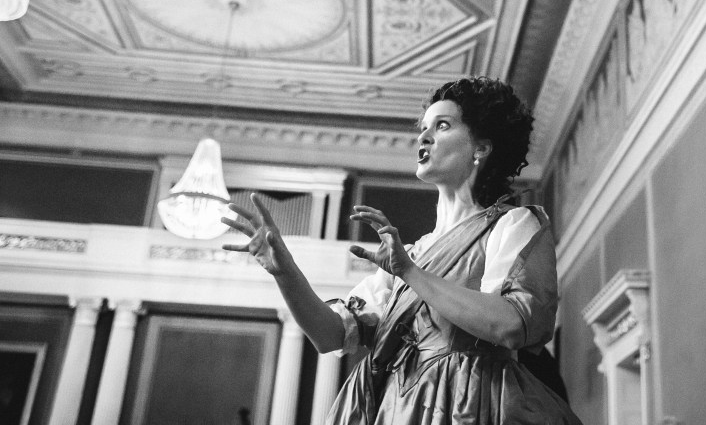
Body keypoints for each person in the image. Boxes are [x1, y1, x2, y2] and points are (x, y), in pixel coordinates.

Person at [222, 76, 583, 424]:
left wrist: (410, 272)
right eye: (424, 127)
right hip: (396, 407)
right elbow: (330, 335)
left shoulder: (513, 224)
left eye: (442, 126)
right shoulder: (410, 253)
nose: (423, 136)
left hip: (468, 404)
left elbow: (511, 324)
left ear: (481, 148)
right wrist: (284, 270)